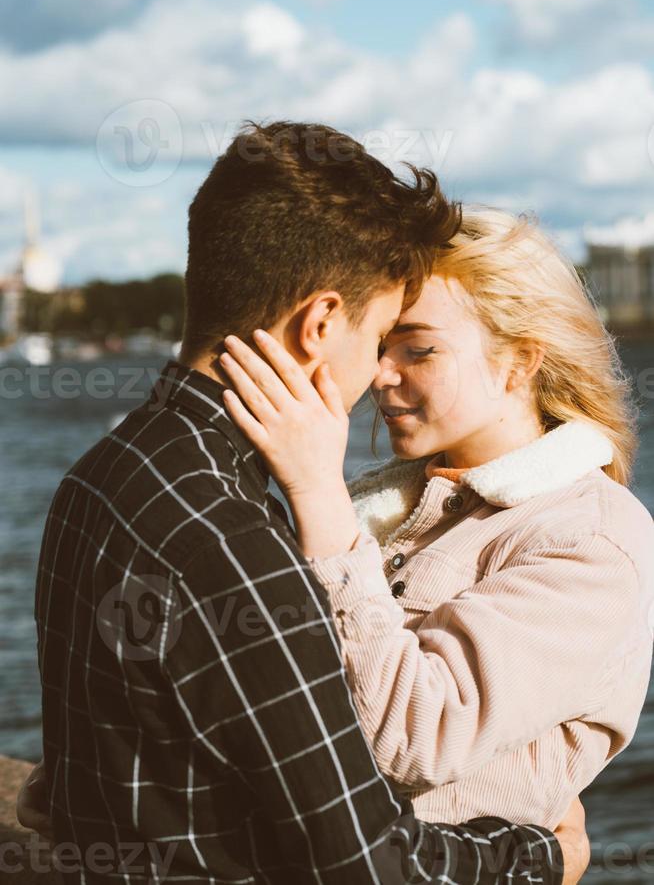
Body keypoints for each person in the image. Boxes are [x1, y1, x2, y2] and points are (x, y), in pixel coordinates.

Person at [14, 125, 588, 884]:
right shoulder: (228, 540)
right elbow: (366, 864)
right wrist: (540, 855)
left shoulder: (102, 474)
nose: (381, 372)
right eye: (382, 335)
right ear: (319, 325)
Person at [211, 204, 654, 839]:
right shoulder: (382, 510)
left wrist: (314, 490)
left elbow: (414, 736)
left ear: (519, 360)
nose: (379, 376)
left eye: (418, 349)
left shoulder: (589, 539)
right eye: (380, 344)